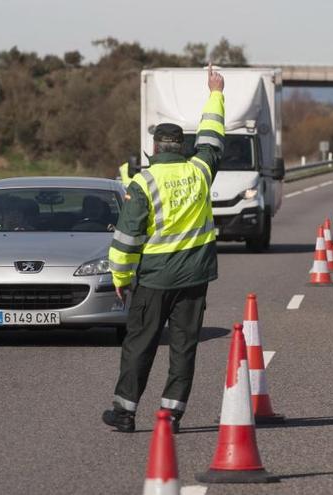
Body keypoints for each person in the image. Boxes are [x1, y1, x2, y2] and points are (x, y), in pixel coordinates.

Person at [102, 64, 225, 434]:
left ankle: (125, 412)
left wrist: (121, 278)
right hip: (194, 278)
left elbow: (126, 239)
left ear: (155, 147)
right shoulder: (200, 171)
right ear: (182, 147)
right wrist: (215, 93)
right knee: (184, 348)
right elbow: (212, 140)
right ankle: (171, 415)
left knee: (141, 344)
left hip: (154, 280)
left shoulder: (144, 182)